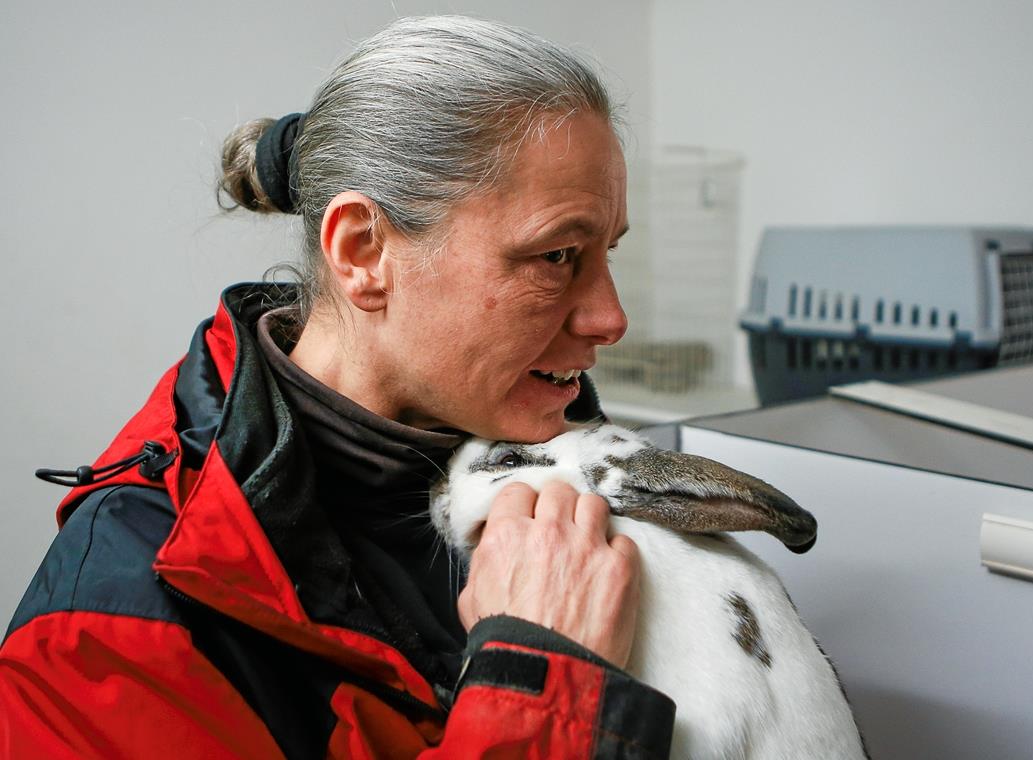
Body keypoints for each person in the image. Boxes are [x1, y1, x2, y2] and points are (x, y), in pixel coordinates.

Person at [0, 15, 675, 758]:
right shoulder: (104, 639)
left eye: (607, 254)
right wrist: (542, 689)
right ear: (363, 252)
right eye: (557, 256)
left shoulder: (564, 477)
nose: (612, 318)